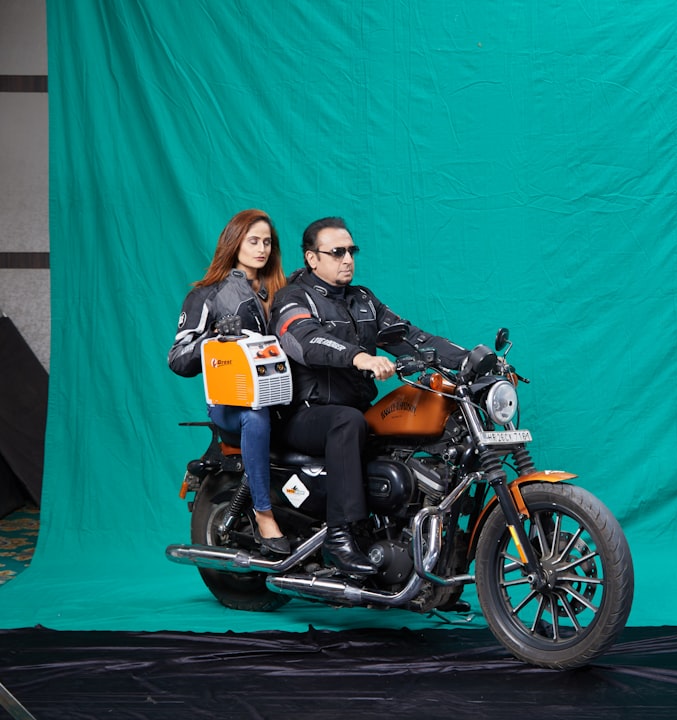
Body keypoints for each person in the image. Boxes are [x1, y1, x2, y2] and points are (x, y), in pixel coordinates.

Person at [270, 216, 466, 578]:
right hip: (306, 414)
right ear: (312, 258)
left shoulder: (362, 300)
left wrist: (470, 361)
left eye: (351, 251)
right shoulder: (293, 298)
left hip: (357, 412)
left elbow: (411, 337)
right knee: (347, 421)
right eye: (337, 252)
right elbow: (304, 340)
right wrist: (358, 357)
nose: (347, 259)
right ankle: (339, 537)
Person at [168, 209, 289, 556]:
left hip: (282, 398)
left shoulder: (283, 292)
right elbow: (177, 358)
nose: (261, 249)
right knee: (254, 416)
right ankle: (264, 514)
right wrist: (215, 339)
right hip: (232, 403)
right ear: (234, 243)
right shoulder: (208, 295)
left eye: (267, 242)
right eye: (253, 241)